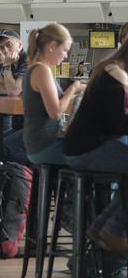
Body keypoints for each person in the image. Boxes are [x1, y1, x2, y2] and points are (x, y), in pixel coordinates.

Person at [64, 40, 128, 253]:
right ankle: (113, 230)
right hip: (86, 150)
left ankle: (104, 226)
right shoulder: (115, 75)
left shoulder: (110, 69)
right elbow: (119, 125)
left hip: (83, 147)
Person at [22, 23, 86, 165]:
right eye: (64, 50)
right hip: (45, 146)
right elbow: (56, 112)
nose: (65, 56)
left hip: (38, 143)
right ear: (51, 46)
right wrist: (74, 88)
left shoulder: (35, 69)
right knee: (97, 156)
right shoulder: (42, 71)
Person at [0, 32, 28, 165]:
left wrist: (7, 67)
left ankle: (38, 169)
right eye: (2, 46)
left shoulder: (28, 61)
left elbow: (13, 92)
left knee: (5, 148)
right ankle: (12, 180)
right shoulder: (9, 64)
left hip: (39, 123)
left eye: (9, 44)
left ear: (20, 45)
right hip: (20, 122)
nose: (5, 49)